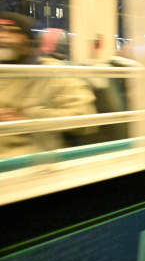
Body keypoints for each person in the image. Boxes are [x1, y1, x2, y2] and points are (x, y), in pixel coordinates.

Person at [0, 12, 96, 158]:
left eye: (12, 31)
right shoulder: (5, 71)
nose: (2, 36)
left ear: (28, 40)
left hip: (29, 157)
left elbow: (85, 118)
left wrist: (27, 118)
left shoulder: (53, 72)